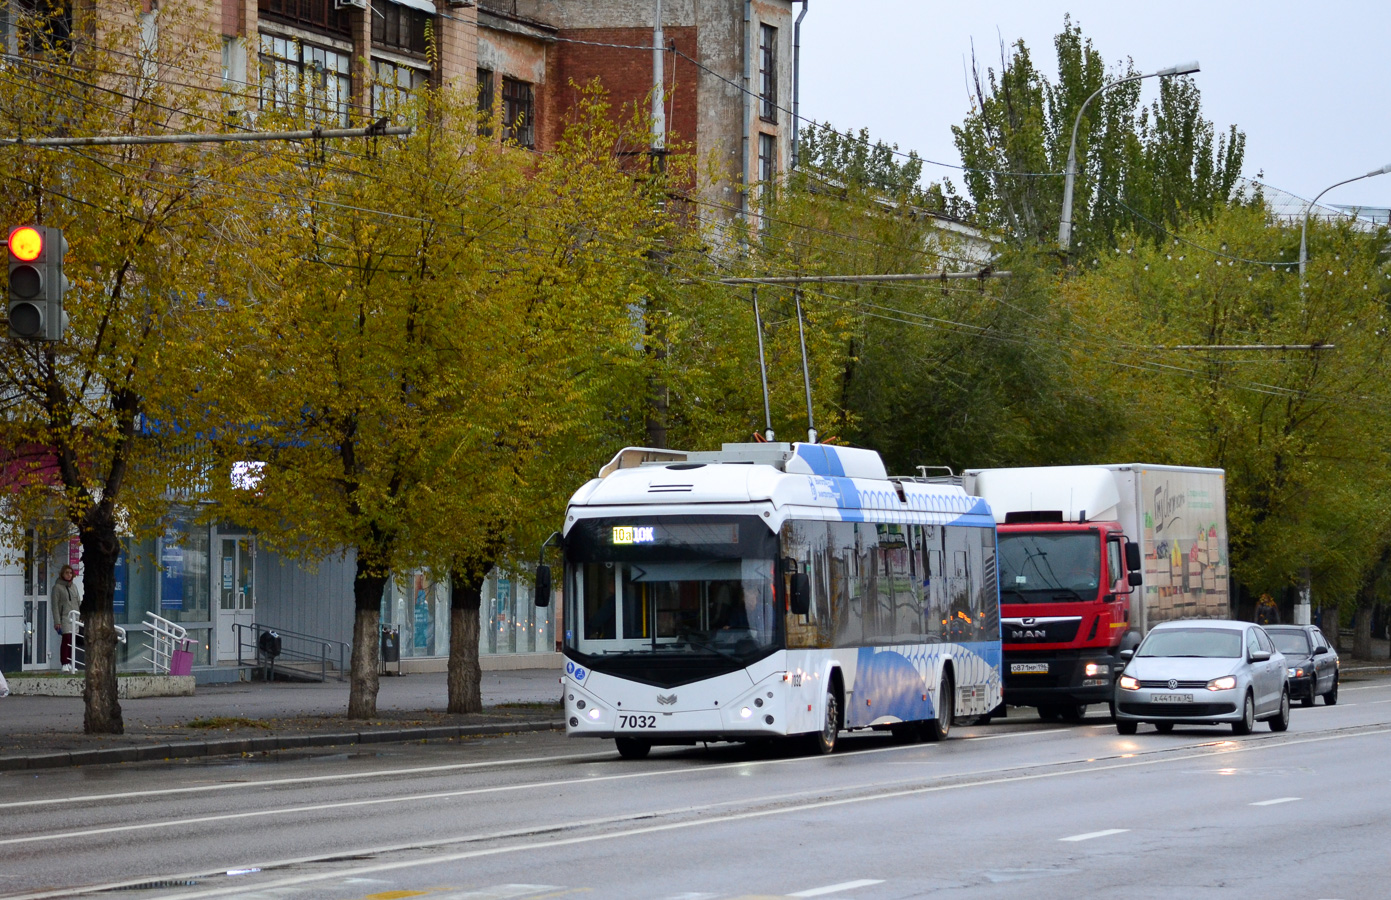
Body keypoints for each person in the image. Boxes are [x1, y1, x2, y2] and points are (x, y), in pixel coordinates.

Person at [52, 564, 81, 673]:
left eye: (70, 573)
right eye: (66, 573)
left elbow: (78, 601)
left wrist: (80, 616)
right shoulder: (57, 588)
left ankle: (70, 662)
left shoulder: (73, 587)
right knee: (66, 639)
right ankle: (64, 662)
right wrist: (57, 621)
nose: (69, 575)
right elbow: (55, 606)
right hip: (64, 617)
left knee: (73, 640)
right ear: (62, 574)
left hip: (75, 617)